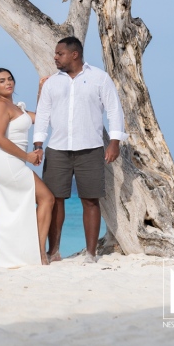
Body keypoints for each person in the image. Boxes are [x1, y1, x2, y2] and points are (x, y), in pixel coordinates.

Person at [33, 37, 128, 263]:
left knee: (90, 200)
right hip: (57, 149)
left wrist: (115, 141)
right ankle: (53, 251)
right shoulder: (51, 83)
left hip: (91, 149)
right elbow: (43, 114)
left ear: (74, 54)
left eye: (59, 54)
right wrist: (38, 144)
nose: (55, 57)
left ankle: (91, 254)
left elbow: (114, 110)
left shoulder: (99, 78)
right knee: (55, 200)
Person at [0, 68, 55, 267]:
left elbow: (41, 117)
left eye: (9, 79)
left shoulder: (14, 106)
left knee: (16, 206)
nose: (8, 83)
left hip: (12, 160)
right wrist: (27, 156)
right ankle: (39, 253)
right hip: (5, 160)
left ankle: (32, 251)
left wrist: (41, 90)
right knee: (47, 198)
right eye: (1, 81)